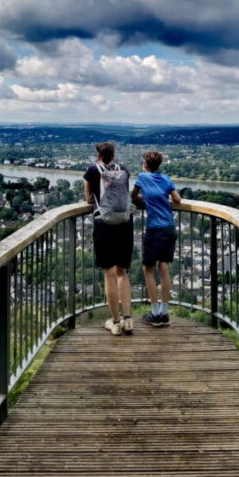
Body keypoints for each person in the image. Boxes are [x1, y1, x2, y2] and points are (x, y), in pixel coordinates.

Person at [83, 141, 134, 336]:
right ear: (113, 155)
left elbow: (89, 199)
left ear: (98, 156)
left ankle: (115, 322)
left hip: (104, 224)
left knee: (109, 274)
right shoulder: (124, 170)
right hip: (124, 223)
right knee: (122, 272)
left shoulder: (92, 171)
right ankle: (128, 320)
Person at [132, 150, 181, 327]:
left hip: (154, 229)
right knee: (164, 267)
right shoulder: (167, 179)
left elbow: (133, 196)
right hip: (169, 227)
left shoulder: (142, 177)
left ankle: (154, 313)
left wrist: (145, 201)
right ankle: (164, 312)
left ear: (145, 164)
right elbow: (178, 200)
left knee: (148, 269)